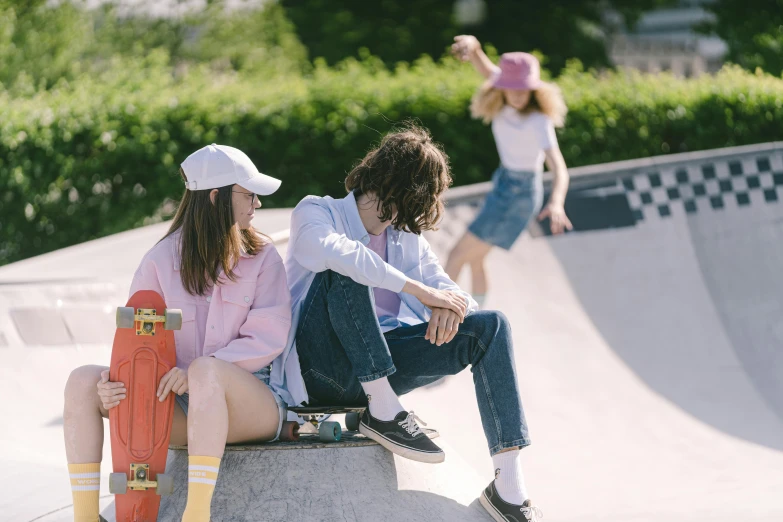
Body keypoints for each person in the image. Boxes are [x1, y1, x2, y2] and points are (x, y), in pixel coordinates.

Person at [269, 125, 543, 521]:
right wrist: (419, 292)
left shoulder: (404, 237)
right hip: (320, 372)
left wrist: (450, 306)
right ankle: (383, 410)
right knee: (344, 270)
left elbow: (447, 288)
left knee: (491, 326)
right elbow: (333, 254)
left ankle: (508, 487)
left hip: (382, 367)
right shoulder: (318, 212)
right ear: (401, 190)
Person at [62, 144, 292, 522]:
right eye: (249, 194)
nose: (257, 203)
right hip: (185, 411)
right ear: (216, 196)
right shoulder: (159, 260)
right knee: (82, 381)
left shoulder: (264, 257)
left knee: (205, 370)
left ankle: (196, 515)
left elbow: (269, 336)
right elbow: (138, 341)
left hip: (254, 405)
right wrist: (114, 380)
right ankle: (85, 517)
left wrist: (200, 372)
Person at [445, 35, 573, 309]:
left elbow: (559, 167)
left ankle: (439, 318)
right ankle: (475, 315)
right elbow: (480, 61)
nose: (516, 95)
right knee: (475, 258)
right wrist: (471, 43)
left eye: (523, 90)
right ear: (501, 86)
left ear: (534, 89)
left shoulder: (539, 121)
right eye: (511, 88)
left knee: (456, 256)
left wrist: (557, 201)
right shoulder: (501, 97)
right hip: (503, 183)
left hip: (521, 194)